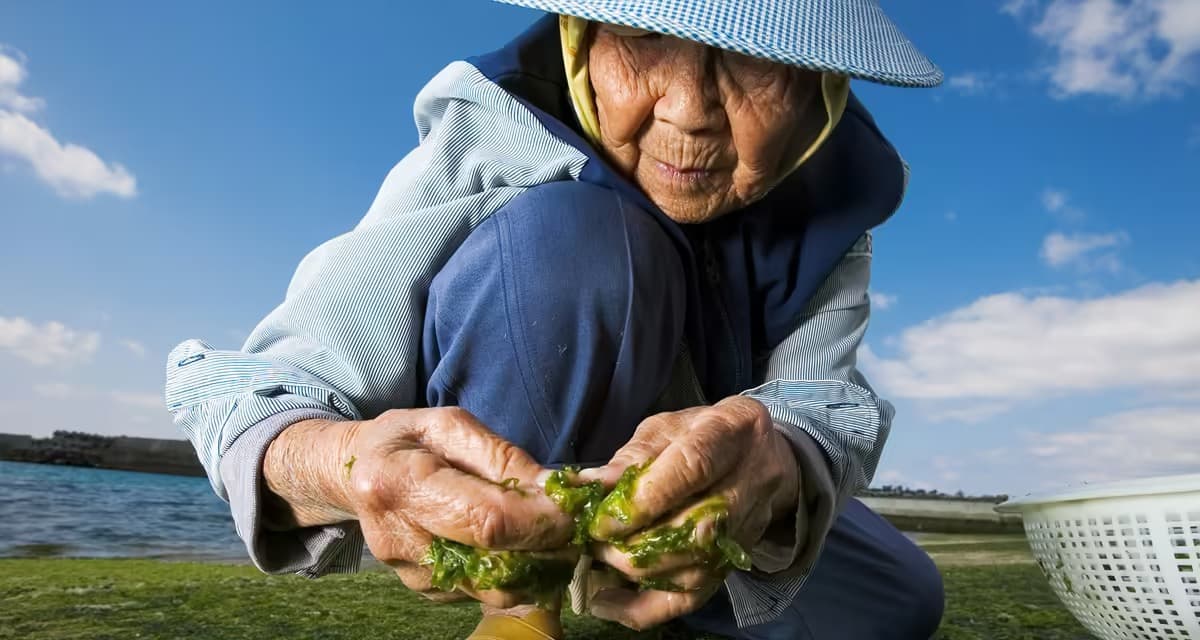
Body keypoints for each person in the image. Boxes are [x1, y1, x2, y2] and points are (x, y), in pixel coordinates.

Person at [165, 1, 946, 638]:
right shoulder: (492, 132)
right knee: (580, 241)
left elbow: (820, 399)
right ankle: (523, 607)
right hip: (514, 483)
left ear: (822, 89)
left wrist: (777, 462)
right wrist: (343, 461)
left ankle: (656, 590)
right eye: (642, 37)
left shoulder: (834, 198)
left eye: (756, 61)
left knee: (899, 602)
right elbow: (256, 395)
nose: (689, 111)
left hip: (696, 501)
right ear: (582, 37)